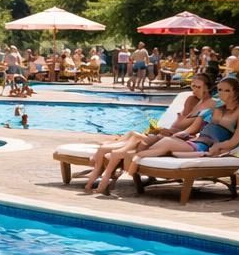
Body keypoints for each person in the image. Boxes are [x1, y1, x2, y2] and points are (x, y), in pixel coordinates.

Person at [83, 75, 216, 193]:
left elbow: (186, 126)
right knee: (133, 135)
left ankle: (104, 172)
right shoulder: (192, 100)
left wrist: (175, 126)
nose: (194, 89)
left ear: (207, 88)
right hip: (171, 133)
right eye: (193, 86)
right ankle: (103, 169)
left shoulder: (210, 104)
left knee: (134, 139)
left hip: (182, 138)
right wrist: (168, 127)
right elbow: (178, 123)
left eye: (198, 87)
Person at [127, 77, 239, 169]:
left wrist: (219, 146)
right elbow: (195, 123)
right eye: (219, 90)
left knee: (166, 142)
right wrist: (183, 133)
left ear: (235, 92)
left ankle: (136, 159)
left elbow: (236, 139)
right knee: (158, 140)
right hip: (197, 141)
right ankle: (135, 159)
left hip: (209, 146)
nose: (221, 93)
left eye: (227, 90)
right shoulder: (216, 106)